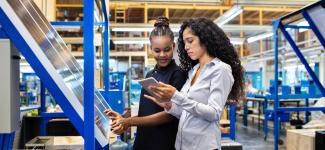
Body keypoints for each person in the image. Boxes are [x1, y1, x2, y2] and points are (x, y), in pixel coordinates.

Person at [144, 18, 245, 150]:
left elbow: (214, 113)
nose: (186, 47)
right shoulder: (194, 71)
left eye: (190, 41)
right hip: (183, 145)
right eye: (184, 42)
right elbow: (186, 113)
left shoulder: (220, 70)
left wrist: (176, 95)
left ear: (204, 38)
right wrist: (169, 105)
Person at [104, 16, 187, 150]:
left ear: (174, 46)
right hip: (143, 141)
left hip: (163, 143)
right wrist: (123, 118)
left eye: (167, 50)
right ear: (150, 48)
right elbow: (146, 111)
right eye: (157, 50)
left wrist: (129, 122)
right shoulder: (150, 75)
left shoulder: (178, 75)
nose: (162, 55)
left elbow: (169, 115)